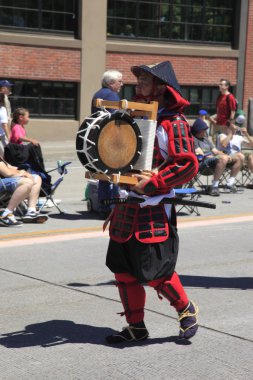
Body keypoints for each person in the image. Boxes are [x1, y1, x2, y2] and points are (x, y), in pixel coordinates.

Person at [104, 61, 199, 344]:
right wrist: (117, 202)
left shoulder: (175, 122)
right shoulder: (136, 117)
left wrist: (154, 182)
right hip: (127, 204)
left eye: (146, 80)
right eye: (140, 79)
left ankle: (186, 310)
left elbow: (187, 165)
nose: (140, 84)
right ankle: (136, 327)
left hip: (155, 207)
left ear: (161, 86)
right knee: (123, 272)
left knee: (156, 272)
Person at [91, 70, 123, 218]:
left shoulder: (97, 94)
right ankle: (115, 207)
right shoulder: (112, 95)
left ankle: (103, 207)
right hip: (110, 140)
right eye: (119, 81)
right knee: (117, 174)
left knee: (104, 175)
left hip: (98, 138)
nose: (122, 84)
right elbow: (115, 119)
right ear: (111, 83)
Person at [191, 118, 240, 196]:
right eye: (204, 130)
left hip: (214, 161)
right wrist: (220, 156)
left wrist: (225, 155)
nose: (205, 132)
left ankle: (229, 184)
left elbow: (216, 151)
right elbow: (201, 155)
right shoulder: (193, 139)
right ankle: (214, 187)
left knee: (239, 157)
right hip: (203, 163)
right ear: (199, 130)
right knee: (223, 158)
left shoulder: (206, 140)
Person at [0, 156, 48, 227]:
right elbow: (7, 173)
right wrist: (22, 173)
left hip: (4, 181)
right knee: (27, 182)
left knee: (36, 178)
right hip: (2, 182)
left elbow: (10, 167)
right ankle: (6, 214)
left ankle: (31, 211)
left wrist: (22, 171)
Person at [216, 115, 253, 192]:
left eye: (235, 125)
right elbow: (224, 144)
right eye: (232, 125)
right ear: (227, 127)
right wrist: (230, 133)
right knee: (240, 155)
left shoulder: (238, 137)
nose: (235, 127)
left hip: (240, 158)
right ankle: (229, 183)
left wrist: (247, 134)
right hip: (227, 157)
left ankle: (230, 183)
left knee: (251, 157)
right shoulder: (222, 135)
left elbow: (252, 145)